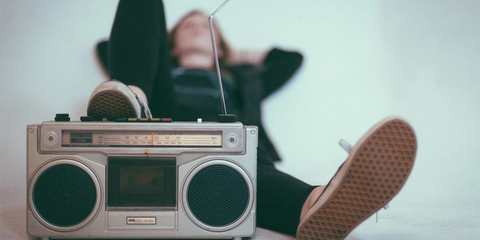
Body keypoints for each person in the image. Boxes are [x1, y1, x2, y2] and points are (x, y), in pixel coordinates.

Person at [88, 1, 418, 239]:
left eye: (207, 26)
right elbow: (111, 46)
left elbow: (291, 60)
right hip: (162, 127)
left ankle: (318, 203)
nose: (198, 27)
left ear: (221, 48)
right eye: (188, 26)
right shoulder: (162, 73)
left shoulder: (245, 78)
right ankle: (132, 101)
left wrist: (231, 55)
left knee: (253, 170)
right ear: (171, 42)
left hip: (232, 149)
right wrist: (151, 62)